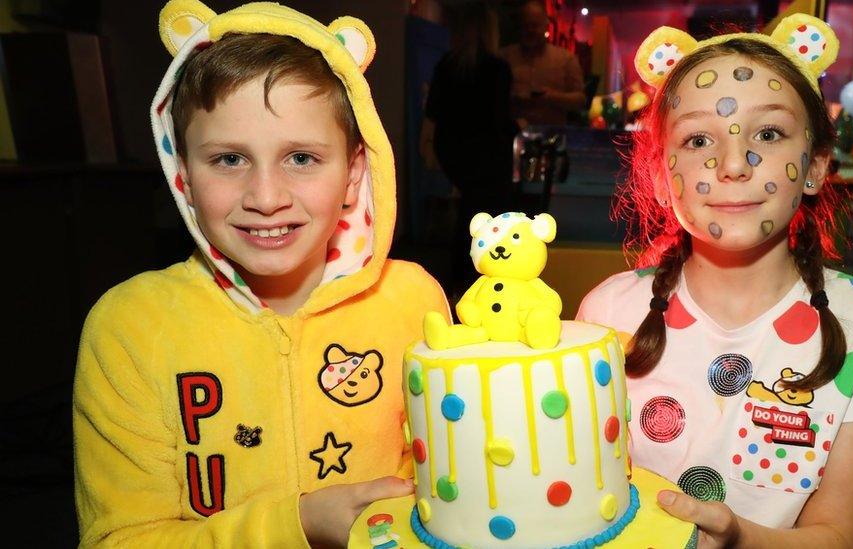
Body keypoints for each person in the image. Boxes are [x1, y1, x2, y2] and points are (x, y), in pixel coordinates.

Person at [72, 1, 448, 547]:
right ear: (183, 176)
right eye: (229, 159)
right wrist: (296, 525)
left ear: (353, 174)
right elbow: (120, 539)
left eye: (301, 158)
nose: (266, 199)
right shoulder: (130, 329)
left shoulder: (413, 300)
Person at [577, 16, 853, 546]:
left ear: (816, 166)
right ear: (660, 178)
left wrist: (737, 535)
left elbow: (838, 535)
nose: (733, 163)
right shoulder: (606, 314)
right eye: (696, 139)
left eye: (768, 133)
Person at [422, 2, 518, 297]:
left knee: (468, 214)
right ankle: (482, 282)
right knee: (488, 217)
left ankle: (457, 284)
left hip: (455, 151)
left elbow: (433, 113)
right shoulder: (497, 68)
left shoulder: (447, 64)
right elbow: (499, 118)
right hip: (488, 154)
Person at [500, 0, 586, 127]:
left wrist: (552, 97)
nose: (530, 30)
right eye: (526, 26)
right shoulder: (504, 57)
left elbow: (580, 100)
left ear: (546, 26)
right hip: (511, 137)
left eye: (534, 25)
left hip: (552, 137)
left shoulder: (566, 59)